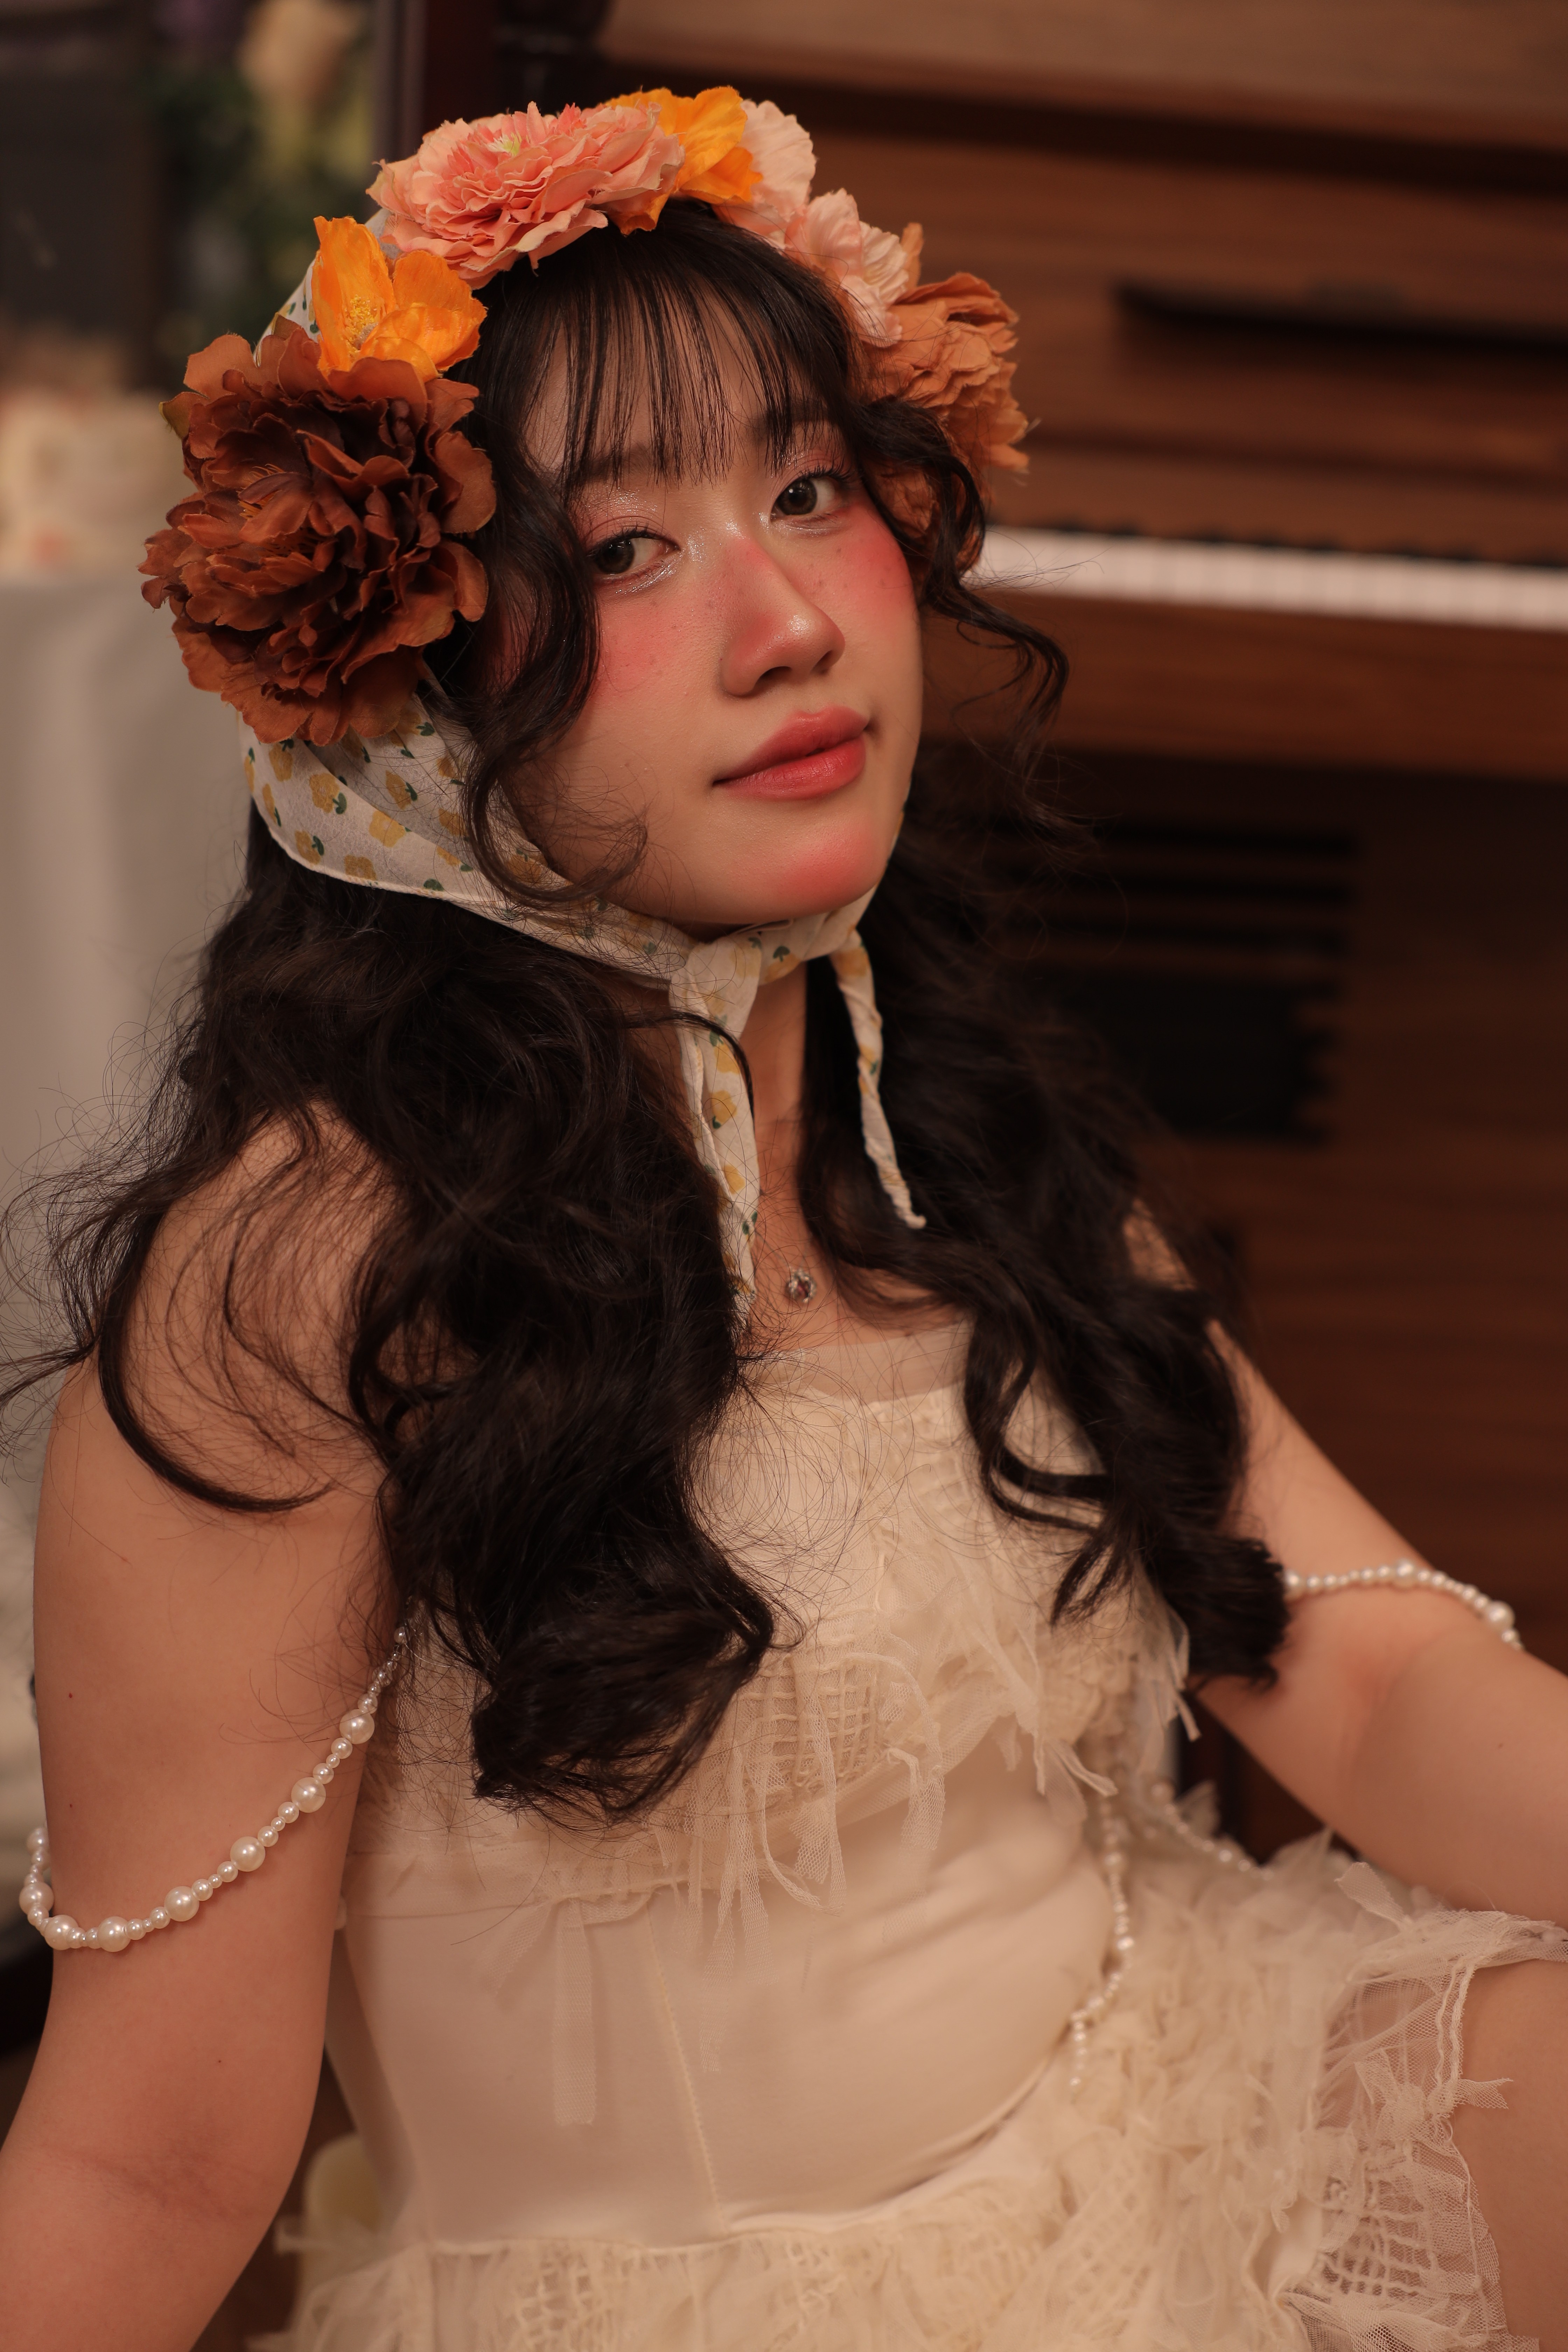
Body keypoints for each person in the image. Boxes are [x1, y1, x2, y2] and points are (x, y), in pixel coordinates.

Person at [2, 87, 1566, 2352]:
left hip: (1170, 2107)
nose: (787, 623)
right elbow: (145, 2160)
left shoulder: (951, 1121)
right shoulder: (303, 1281)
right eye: (626, 550)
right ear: (407, 683)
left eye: (811, 490)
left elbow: (1367, 1662)